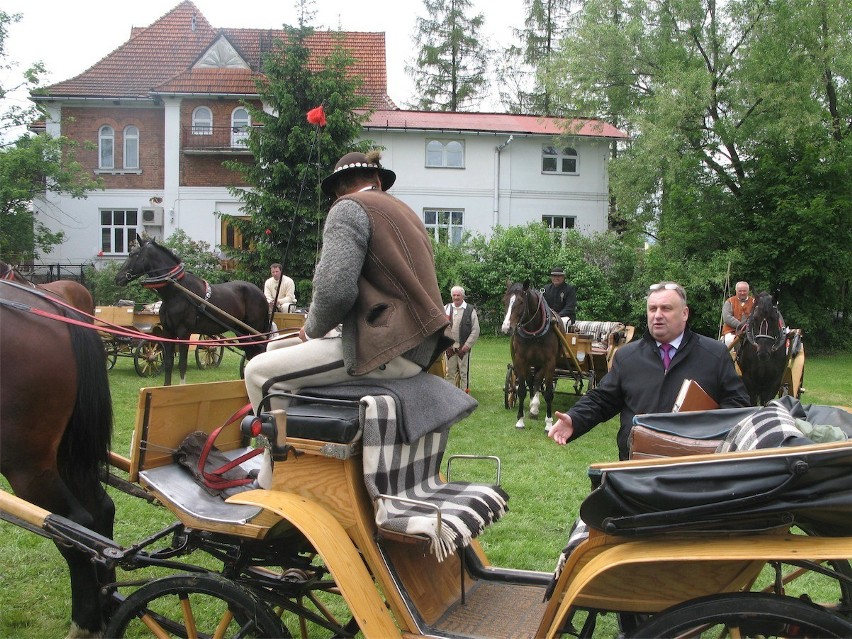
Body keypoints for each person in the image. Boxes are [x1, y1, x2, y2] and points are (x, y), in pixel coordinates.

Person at [244, 150, 451, 412]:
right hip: (418, 345)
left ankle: (282, 452)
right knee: (274, 346)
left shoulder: (348, 207)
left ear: (337, 191)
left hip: (388, 346)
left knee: (257, 372)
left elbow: (335, 291)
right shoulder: (406, 213)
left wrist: (310, 331)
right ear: (377, 178)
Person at [548, 281, 749, 460]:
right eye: (652, 309)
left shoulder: (714, 355)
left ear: (685, 313)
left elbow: (738, 406)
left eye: (666, 308)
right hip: (636, 467)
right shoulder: (628, 357)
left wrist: (702, 427)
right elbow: (602, 399)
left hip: (692, 468)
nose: (658, 315)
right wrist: (575, 419)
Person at [443, 286, 480, 391]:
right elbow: (442, 327)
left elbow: (475, 330)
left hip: (463, 348)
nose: (456, 297)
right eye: (454, 295)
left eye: (458, 295)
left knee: (464, 374)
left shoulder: (470, 310)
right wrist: (446, 343)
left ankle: (465, 397)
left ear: (463, 296)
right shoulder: (446, 308)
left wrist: (466, 346)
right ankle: (451, 396)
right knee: (449, 373)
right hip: (449, 348)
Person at [721, 281, 754, 347]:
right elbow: (727, 318)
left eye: (744, 291)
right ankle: (730, 357)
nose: (742, 293)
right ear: (736, 291)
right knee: (729, 340)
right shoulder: (729, 301)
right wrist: (741, 326)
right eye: (740, 291)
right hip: (731, 331)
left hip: (751, 330)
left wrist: (748, 327)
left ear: (748, 291)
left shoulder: (754, 302)